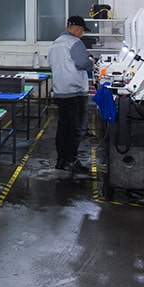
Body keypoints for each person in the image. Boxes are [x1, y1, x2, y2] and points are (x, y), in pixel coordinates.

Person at [48, 15, 94, 173]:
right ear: (76, 29)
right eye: (82, 31)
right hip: (75, 91)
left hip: (61, 91)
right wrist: (91, 61)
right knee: (76, 128)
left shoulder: (55, 43)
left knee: (64, 127)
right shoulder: (75, 42)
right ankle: (71, 160)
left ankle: (61, 161)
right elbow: (83, 63)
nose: (82, 34)